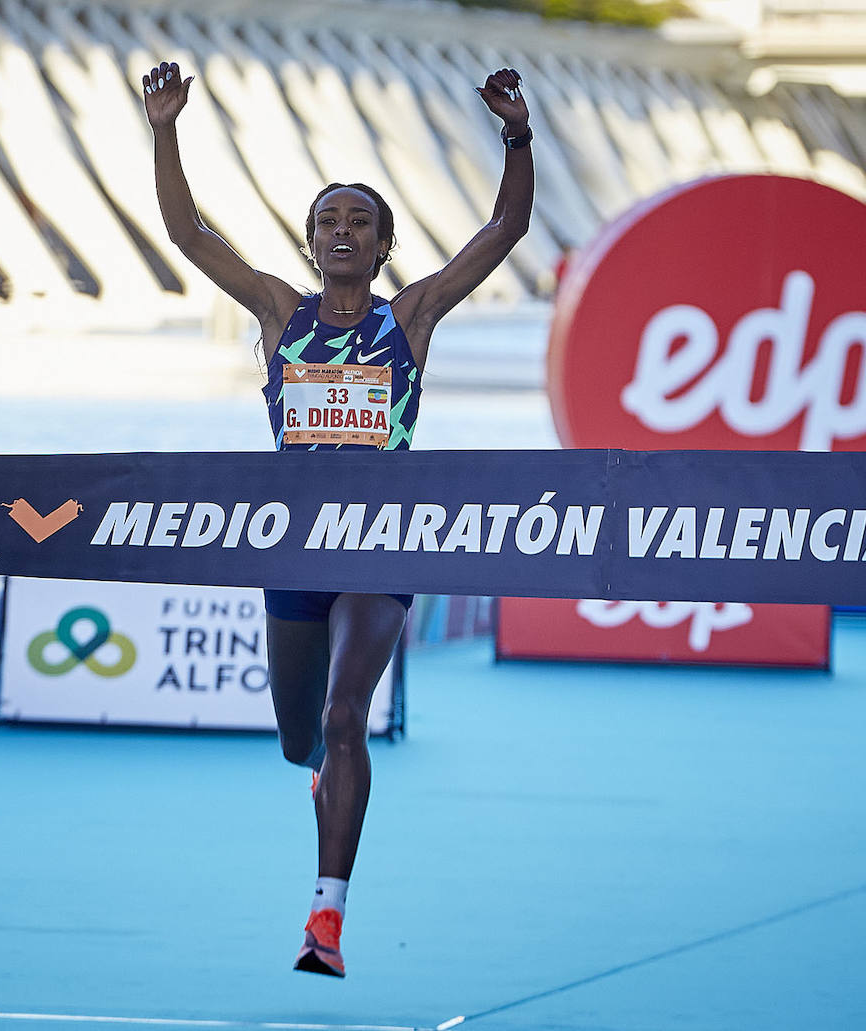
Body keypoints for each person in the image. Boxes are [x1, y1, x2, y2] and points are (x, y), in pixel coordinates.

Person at [143, 59, 533, 978]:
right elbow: (186, 233)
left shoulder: (413, 318)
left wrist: (516, 134)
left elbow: (507, 225)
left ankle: (326, 919)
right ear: (312, 242)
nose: (344, 231)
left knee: (347, 714)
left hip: (380, 548)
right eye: (330, 220)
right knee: (299, 739)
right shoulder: (282, 312)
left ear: (384, 245)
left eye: (361, 220)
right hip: (294, 550)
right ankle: (320, 763)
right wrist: (164, 128)